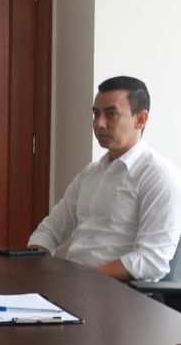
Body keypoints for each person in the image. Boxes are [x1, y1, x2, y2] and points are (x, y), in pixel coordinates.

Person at [28, 76, 181, 282]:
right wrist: (34, 263)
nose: (99, 124)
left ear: (141, 119)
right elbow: (49, 231)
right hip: (74, 286)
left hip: (120, 293)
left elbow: (151, 262)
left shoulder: (159, 176)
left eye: (111, 114)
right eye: (96, 114)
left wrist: (80, 277)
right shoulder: (90, 173)